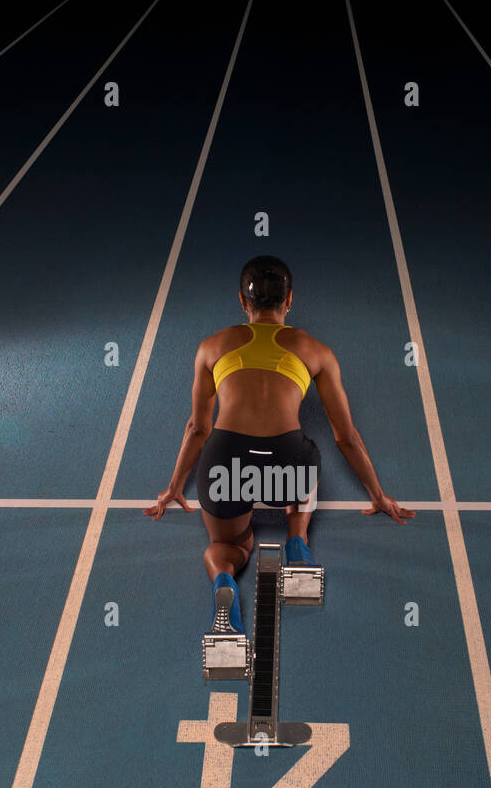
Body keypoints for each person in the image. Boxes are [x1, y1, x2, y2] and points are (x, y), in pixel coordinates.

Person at [144, 256, 414, 641]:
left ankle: (224, 581)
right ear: (289, 300)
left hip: (226, 466)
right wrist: (378, 493)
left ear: (242, 301)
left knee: (228, 545)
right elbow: (346, 437)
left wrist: (174, 487)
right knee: (306, 461)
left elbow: (197, 428)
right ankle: (298, 543)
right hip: (286, 463)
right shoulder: (316, 351)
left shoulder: (211, 347)